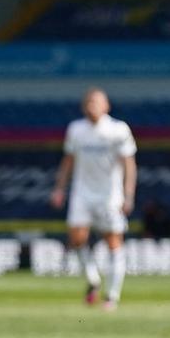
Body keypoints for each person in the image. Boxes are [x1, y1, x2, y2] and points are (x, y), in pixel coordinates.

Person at [49, 88, 137, 310]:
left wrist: (128, 195)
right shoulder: (76, 129)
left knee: (113, 242)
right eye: (89, 101)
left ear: (107, 106)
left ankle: (112, 296)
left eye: (97, 102)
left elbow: (129, 164)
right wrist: (60, 188)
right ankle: (93, 279)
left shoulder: (118, 129)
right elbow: (68, 160)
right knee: (77, 239)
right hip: (82, 193)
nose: (92, 105)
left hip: (109, 196)